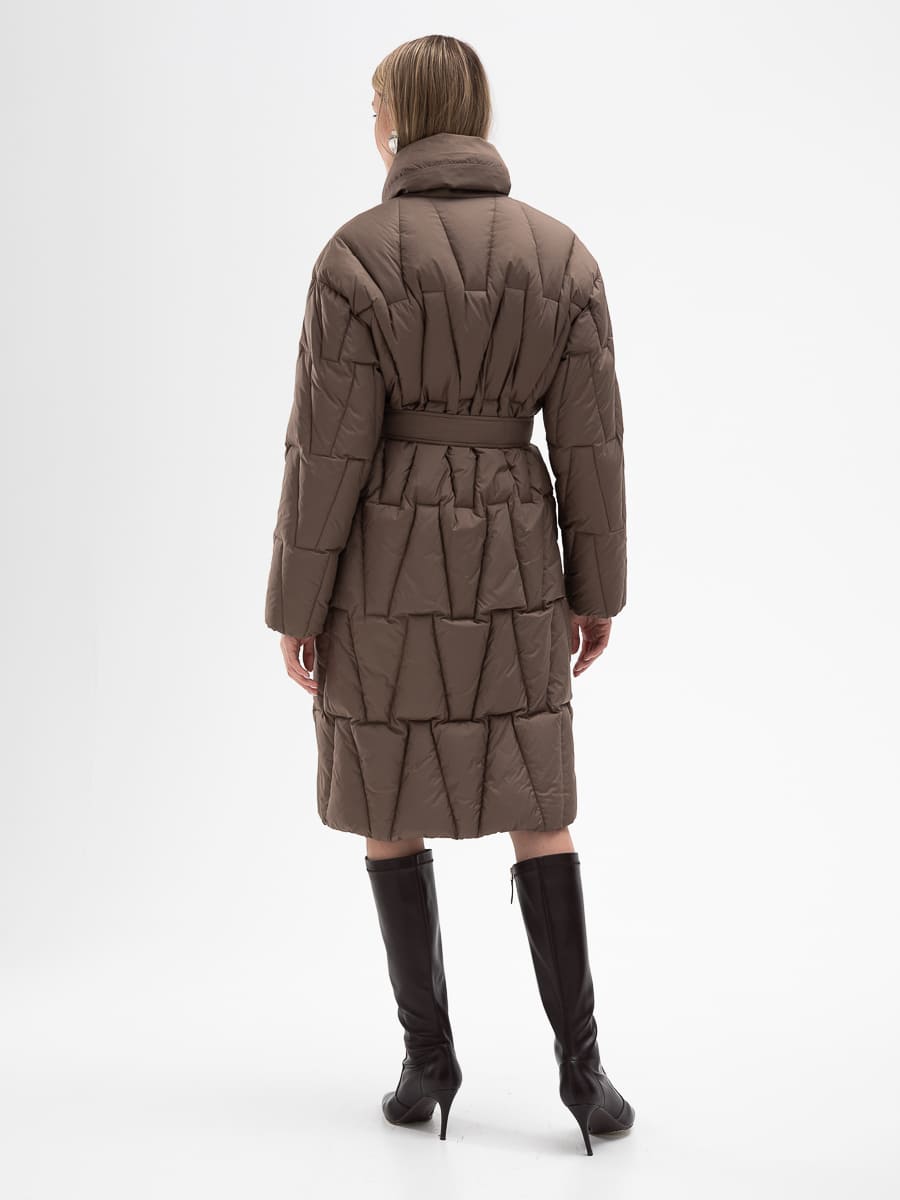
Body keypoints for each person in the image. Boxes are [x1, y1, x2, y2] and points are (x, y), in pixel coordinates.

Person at [264, 34, 634, 1155]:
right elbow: (591, 448)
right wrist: (596, 591)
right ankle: (585, 1075)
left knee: (390, 798)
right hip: (516, 554)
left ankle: (428, 1064)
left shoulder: (355, 260)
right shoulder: (561, 258)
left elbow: (325, 454)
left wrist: (296, 607)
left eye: (374, 106)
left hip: (384, 562)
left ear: (398, 121)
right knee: (538, 799)